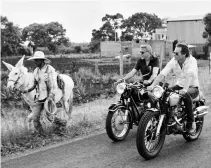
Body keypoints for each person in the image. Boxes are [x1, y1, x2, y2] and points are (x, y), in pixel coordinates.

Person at [147, 42, 199, 135]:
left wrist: (185, 89)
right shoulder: (174, 61)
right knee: (163, 93)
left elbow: (189, 75)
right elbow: (162, 74)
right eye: (174, 52)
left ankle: (191, 123)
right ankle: (166, 117)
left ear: (184, 54)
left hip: (192, 87)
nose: (174, 54)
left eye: (176, 53)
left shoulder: (192, 61)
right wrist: (152, 85)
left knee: (185, 95)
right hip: (179, 86)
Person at [27, 51, 65, 135]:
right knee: (35, 117)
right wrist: (26, 90)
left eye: (36, 60)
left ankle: (60, 128)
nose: (35, 62)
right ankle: (40, 135)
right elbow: (34, 84)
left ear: (42, 60)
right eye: (34, 60)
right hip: (39, 97)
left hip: (49, 96)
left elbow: (54, 86)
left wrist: (50, 96)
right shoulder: (36, 70)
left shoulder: (50, 69)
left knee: (50, 117)